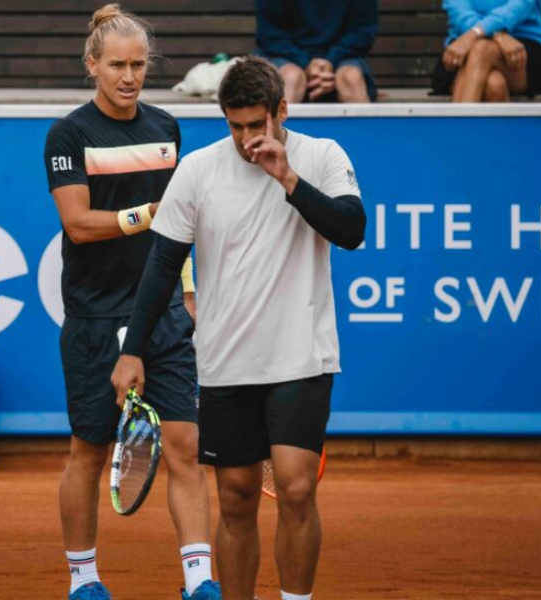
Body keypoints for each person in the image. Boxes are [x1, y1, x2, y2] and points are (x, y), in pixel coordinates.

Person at [111, 57, 366, 600]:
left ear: (281, 111)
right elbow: (161, 266)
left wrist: (286, 176)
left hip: (303, 354)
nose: (247, 137)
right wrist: (133, 351)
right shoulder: (199, 170)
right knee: (236, 496)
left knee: (296, 487)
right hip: (226, 358)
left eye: (257, 124)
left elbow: (351, 230)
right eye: (235, 126)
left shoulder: (322, 156)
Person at [43, 5, 218, 600]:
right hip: (95, 317)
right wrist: (146, 214)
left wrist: (188, 291)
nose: (129, 76)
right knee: (88, 452)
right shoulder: (68, 134)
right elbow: (77, 224)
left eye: (139, 65)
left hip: (163, 311)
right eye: (116, 64)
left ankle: (200, 581)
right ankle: (84, 579)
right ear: (92, 65)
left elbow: (181, 229)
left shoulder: (166, 127)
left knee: (187, 446)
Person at [431, 0, 541, 102]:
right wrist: (497, 35)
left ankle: (460, 133)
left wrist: (477, 33)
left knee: (482, 49)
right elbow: (460, 15)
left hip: (525, 51)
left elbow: (517, 9)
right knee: (494, 85)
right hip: (464, 50)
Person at [254, 0, 379, 103]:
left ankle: (369, 133)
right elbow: (269, 33)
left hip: (341, 57)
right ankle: (277, 133)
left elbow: (363, 31)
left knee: (351, 79)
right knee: (291, 78)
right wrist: (305, 64)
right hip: (287, 56)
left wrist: (331, 61)